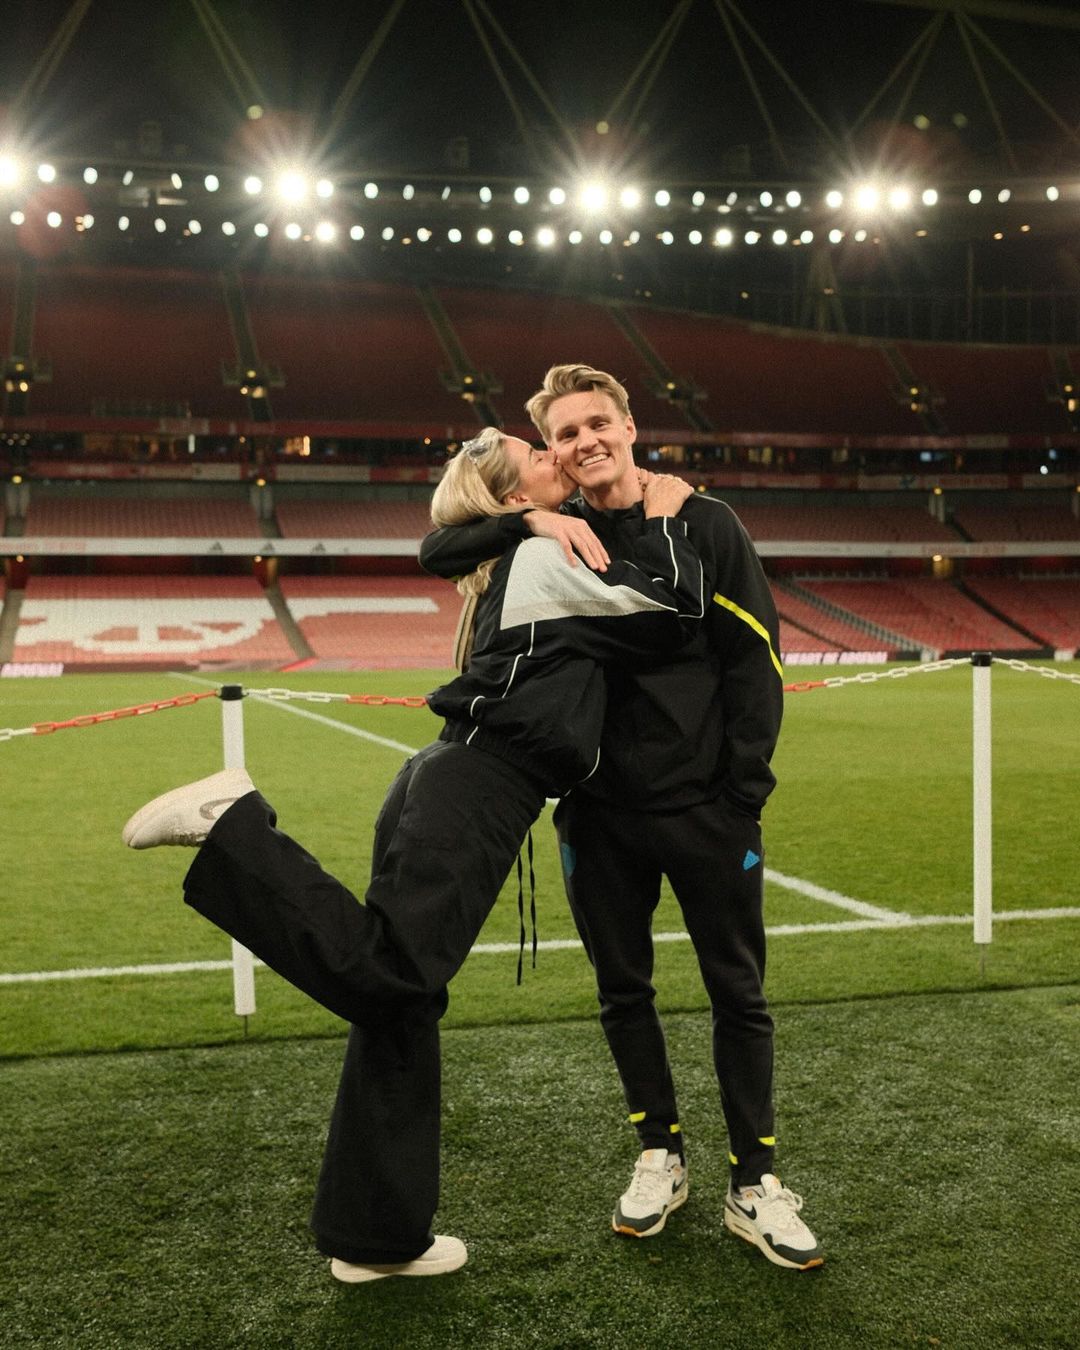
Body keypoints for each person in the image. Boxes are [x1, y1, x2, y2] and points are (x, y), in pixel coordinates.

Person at [122, 426, 703, 1284]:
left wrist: (536, 521)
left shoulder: (529, 547)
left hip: (447, 776)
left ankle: (374, 1236)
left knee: (401, 1006)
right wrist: (670, 517)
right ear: (515, 499)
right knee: (394, 976)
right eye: (541, 456)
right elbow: (672, 613)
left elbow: (448, 539)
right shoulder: (547, 559)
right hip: (479, 785)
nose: (559, 455)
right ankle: (234, 828)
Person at [420, 366, 823, 1271]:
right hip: (599, 817)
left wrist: (741, 795)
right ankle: (660, 1156)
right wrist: (528, 515)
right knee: (622, 992)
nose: (583, 442)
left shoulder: (706, 523)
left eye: (597, 422)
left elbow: (754, 664)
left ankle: (755, 1182)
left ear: (631, 426)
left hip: (709, 813)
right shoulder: (558, 533)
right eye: (564, 434)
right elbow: (441, 544)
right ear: (553, 454)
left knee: (739, 993)